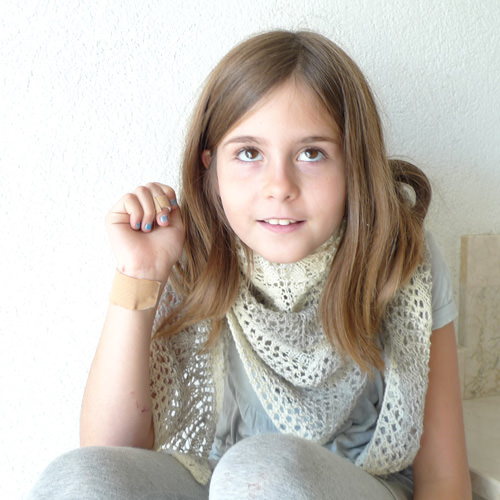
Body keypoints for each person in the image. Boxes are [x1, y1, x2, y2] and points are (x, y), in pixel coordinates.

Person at [28, 30, 472, 499]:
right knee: (79, 478)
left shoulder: (398, 257)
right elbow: (110, 451)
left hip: (353, 485)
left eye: (311, 153)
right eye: (249, 153)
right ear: (211, 166)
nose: (279, 186)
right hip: (217, 482)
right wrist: (140, 274)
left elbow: (444, 478)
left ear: (353, 166)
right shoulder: (194, 252)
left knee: (263, 472)